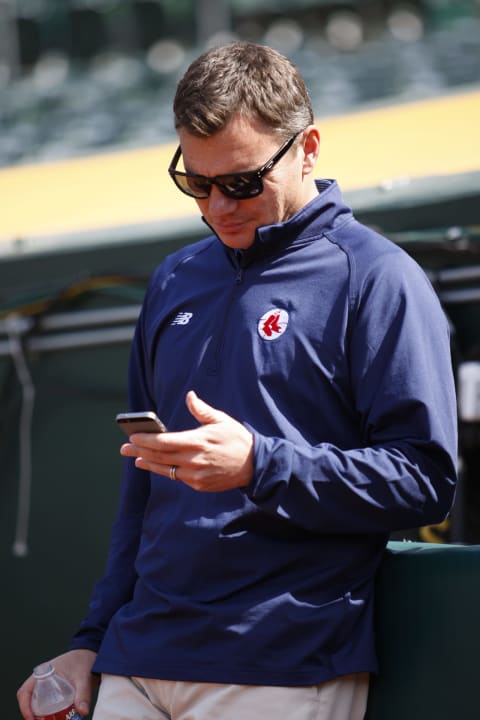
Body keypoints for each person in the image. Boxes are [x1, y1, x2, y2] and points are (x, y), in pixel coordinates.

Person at [18, 41, 458, 720]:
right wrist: (91, 642)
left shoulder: (376, 276)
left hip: (279, 664)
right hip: (139, 657)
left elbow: (424, 483)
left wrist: (259, 463)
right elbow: (142, 491)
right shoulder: (173, 278)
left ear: (307, 148)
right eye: (196, 183)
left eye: (243, 182)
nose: (218, 206)